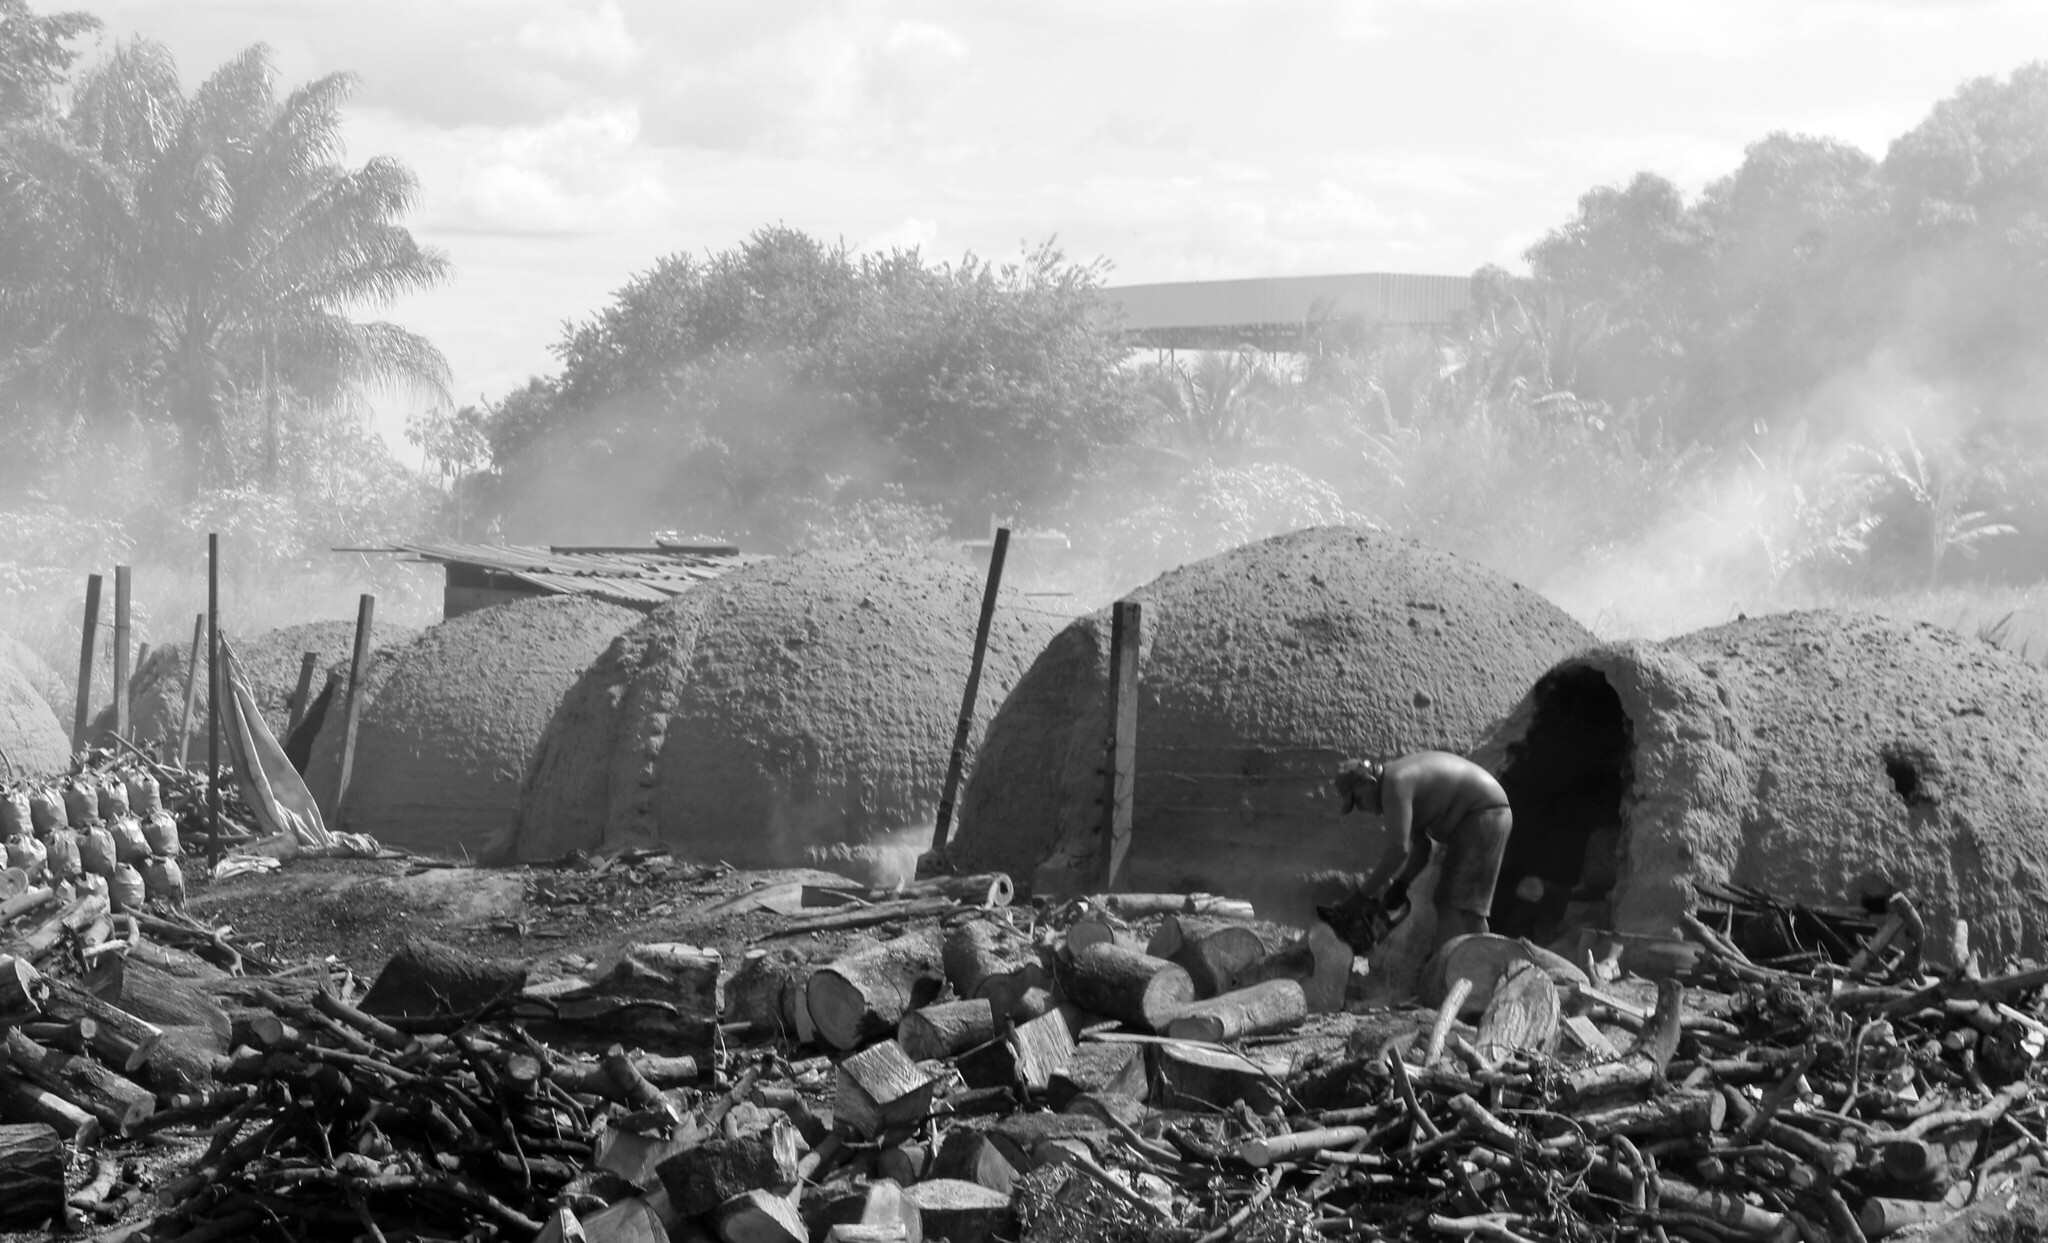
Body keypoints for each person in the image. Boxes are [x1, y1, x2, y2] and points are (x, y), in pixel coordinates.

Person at [1335, 751, 1514, 947]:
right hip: (1479, 817)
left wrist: (1359, 897)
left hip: (1483, 814)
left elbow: (1397, 850)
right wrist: (1401, 885)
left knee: (1454, 905)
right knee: (1461, 908)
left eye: (1358, 800)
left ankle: (1467, 967)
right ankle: (1479, 961)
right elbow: (1421, 847)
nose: (1360, 809)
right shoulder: (1395, 783)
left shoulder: (1394, 784)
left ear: (1368, 782)